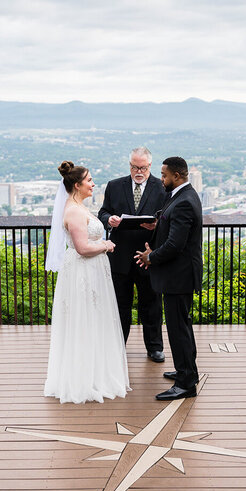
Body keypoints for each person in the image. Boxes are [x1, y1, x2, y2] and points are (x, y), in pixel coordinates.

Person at [44, 161, 130, 404]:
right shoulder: (72, 210)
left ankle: (95, 373)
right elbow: (82, 248)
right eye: (89, 180)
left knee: (94, 320)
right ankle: (82, 379)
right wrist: (106, 245)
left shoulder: (79, 206)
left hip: (92, 272)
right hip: (82, 273)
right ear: (76, 184)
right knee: (84, 321)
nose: (93, 184)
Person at [134, 156, 203, 400]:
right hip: (179, 276)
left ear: (176, 175)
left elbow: (175, 244)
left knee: (178, 329)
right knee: (181, 326)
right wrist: (157, 227)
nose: (161, 179)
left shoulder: (184, 201)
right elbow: (171, 225)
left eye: (164, 175)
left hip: (178, 277)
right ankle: (188, 371)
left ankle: (186, 383)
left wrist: (150, 257)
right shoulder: (185, 195)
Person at [98, 147, 167, 363]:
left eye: (143, 168)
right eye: (135, 167)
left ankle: (155, 347)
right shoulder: (114, 185)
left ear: (150, 166)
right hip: (120, 257)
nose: (139, 171)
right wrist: (108, 220)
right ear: (129, 165)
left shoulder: (161, 187)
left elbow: (167, 218)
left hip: (148, 255)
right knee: (120, 305)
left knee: (152, 304)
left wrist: (156, 225)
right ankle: (118, 346)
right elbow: (103, 211)